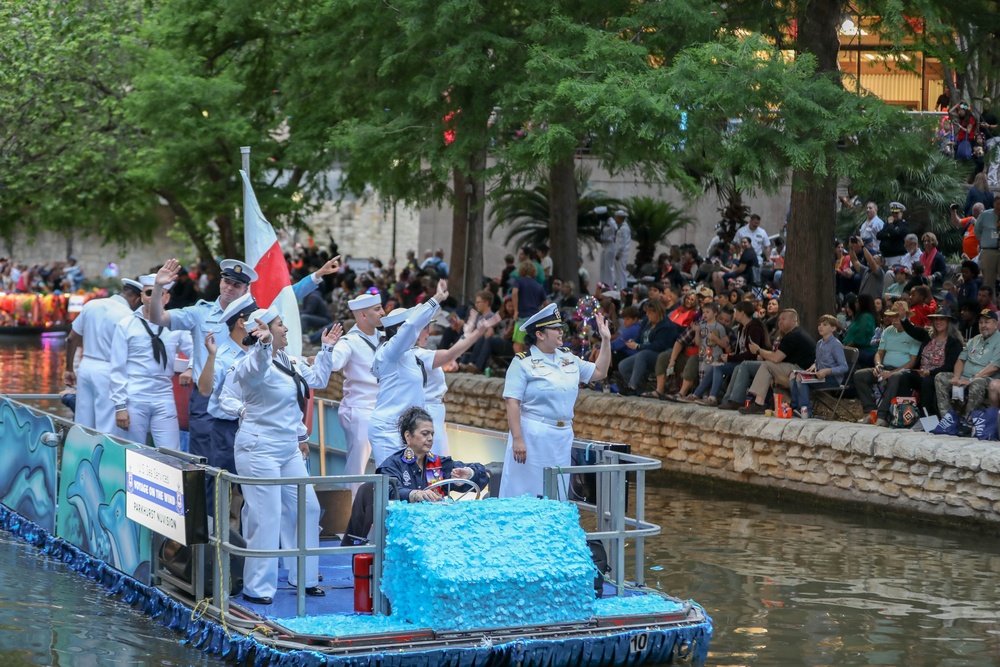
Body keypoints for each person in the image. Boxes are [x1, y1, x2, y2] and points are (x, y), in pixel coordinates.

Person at [228, 306, 338, 606]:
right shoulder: (250, 364)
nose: (286, 329)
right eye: (279, 325)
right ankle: (257, 587)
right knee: (267, 515)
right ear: (262, 332)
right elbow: (257, 368)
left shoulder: (289, 360)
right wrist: (262, 344)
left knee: (309, 508)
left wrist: (327, 349)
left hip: (287, 447)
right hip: (258, 447)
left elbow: (317, 380)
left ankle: (304, 576)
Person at [500, 304, 612, 499]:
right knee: (527, 489)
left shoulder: (568, 358)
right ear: (540, 334)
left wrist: (606, 340)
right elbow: (512, 402)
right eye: (555, 328)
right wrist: (518, 439)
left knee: (558, 490)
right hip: (533, 433)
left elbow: (599, 372)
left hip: (562, 434)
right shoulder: (522, 362)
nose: (561, 331)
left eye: (561, 327)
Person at [368, 279, 451, 467]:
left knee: (411, 481)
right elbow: (411, 327)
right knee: (392, 483)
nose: (420, 330)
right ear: (398, 330)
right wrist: (436, 298)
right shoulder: (390, 350)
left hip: (405, 428)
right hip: (388, 429)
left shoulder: (409, 355)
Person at [109, 275, 193, 449]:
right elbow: (117, 368)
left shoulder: (175, 325)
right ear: (141, 297)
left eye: (159, 293)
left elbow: (196, 350)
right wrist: (120, 406)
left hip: (164, 395)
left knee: (171, 453)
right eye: (149, 293)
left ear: (167, 297)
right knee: (131, 452)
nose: (154, 297)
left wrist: (191, 368)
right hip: (134, 395)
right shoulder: (126, 325)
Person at [415, 308, 500, 456]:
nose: (428, 332)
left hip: (432, 412)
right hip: (427, 413)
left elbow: (450, 357)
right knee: (436, 461)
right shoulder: (417, 354)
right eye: (424, 328)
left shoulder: (418, 354)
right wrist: (478, 332)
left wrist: (468, 331)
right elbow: (450, 354)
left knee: (438, 460)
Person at [64, 279, 144, 432]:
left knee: (83, 423)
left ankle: (83, 454)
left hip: (86, 366)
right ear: (137, 299)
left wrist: (69, 369)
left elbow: (71, 339)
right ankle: (104, 455)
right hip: (110, 370)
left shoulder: (91, 305)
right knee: (107, 425)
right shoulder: (128, 316)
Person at [324, 293, 384, 497]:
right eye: (377, 309)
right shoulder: (349, 341)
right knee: (357, 468)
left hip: (382, 409)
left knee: (387, 463)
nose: (383, 313)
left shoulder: (383, 337)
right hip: (359, 409)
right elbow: (334, 363)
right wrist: (326, 350)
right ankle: (349, 517)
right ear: (363, 315)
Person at [376, 407, 489, 502]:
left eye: (432, 434)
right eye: (425, 434)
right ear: (408, 436)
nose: (430, 439)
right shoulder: (394, 465)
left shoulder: (440, 464)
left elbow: (482, 475)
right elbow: (387, 490)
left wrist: (469, 473)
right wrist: (413, 494)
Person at [893, 302, 964, 421]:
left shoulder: (954, 343)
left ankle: (927, 418)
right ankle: (904, 416)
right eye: (936, 319)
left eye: (942, 319)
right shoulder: (928, 335)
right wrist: (903, 317)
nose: (938, 322)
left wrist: (930, 372)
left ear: (948, 322)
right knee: (905, 378)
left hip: (938, 375)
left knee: (927, 382)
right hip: (921, 373)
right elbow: (912, 330)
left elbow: (950, 365)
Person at [852, 305, 922, 425]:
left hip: (903, 371)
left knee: (895, 377)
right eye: (892, 317)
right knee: (859, 375)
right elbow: (879, 352)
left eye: (897, 317)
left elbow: (912, 362)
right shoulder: (888, 331)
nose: (894, 320)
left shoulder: (914, 333)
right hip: (885, 368)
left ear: (905, 317)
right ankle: (871, 411)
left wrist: (892, 373)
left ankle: (882, 415)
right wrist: (878, 365)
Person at [739, 309, 816, 414]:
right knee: (768, 370)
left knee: (767, 366)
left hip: (802, 373)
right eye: (779, 319)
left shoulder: (794, 335)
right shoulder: (792, 334)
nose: (780, 322)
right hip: (794, 371)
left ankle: (759, 403)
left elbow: (776, 358)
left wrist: (758, 350)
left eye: (784, 319)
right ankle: (766, 404)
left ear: (794, 320)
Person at [934, 309, 1000, 418]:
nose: (983, 325)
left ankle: (968, 420)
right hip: (965, 376)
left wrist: (971, 380)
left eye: (986, 322)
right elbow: (961, 360)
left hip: (985, 379)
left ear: (996, 324)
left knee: (977, 383)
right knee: (940, 377)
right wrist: (956, 377)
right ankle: (948, 418)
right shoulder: (975, 339)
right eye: (981, 322)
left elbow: (993, 367)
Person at [788, 315, 848, 419]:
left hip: (832, 378)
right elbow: (818, 360)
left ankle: (805, 410)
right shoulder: (819, 343)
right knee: (793, 374)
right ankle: (795, 407)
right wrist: (814, 365)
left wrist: (827, 371)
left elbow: (844, 367)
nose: (821, 327)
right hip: (820, 374)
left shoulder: (835, 344)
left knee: (801, 378)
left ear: (833, 328)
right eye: (819, 324)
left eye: (825, 325)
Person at [618, 300, 678, 397]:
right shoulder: (646, 322)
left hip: (660, 356)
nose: (647, 315)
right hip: (644, 354)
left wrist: (639, 346)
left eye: (649, 312)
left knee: (643, 354)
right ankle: (638, 389)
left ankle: (632, 387)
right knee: (623, 365)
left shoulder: (667, 326)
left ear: (657, 312)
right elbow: (640, 337)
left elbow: (659, 346)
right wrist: (633, 342)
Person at [511, 261, 547, 354]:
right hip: (534, 318)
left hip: (522, 317)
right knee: (530, 345)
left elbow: (514, 293)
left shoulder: (518, 281)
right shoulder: (539, 286)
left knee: (518, 344)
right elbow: (546, 303)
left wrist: (515, 311)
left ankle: (520, 364)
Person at [842, 294, 878, 367]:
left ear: (863, 303)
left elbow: (859, 339)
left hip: (864, 351)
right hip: (854, 349)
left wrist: (844, 349)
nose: (855, 304)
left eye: (857, 302)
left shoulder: (866, 317)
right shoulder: (859, 317)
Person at [974, 194, 1000, 292]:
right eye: (998, 204)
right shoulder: (985, 215)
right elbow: (977, 230)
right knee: (988, 281)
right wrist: (984, 240)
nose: (999, 206)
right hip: (989, 251)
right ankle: (990, 305)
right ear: (994, 204)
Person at [613, 209, 632, 291]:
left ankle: (622, 289)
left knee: (620, 273)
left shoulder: (624, 229)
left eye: (616, 217)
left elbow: (622, 243)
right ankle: (619, 288)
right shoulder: (622, 227)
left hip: (621, 255)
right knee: (618, 273)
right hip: (619, 254)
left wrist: (618, 254)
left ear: (620, 218)